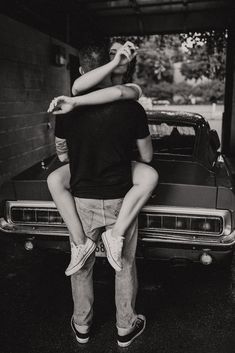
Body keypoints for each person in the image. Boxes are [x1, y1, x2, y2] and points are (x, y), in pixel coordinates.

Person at [52, 37, 153, 347]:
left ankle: (82, 326)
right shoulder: (131, 107)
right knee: (122, 262)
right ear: (110, 69)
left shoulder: (66, 109)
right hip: (120, 196)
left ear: (83, 70)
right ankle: (125, 327)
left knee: (81, 266)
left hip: (81, 197)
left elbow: (63, 157)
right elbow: (147, 157)